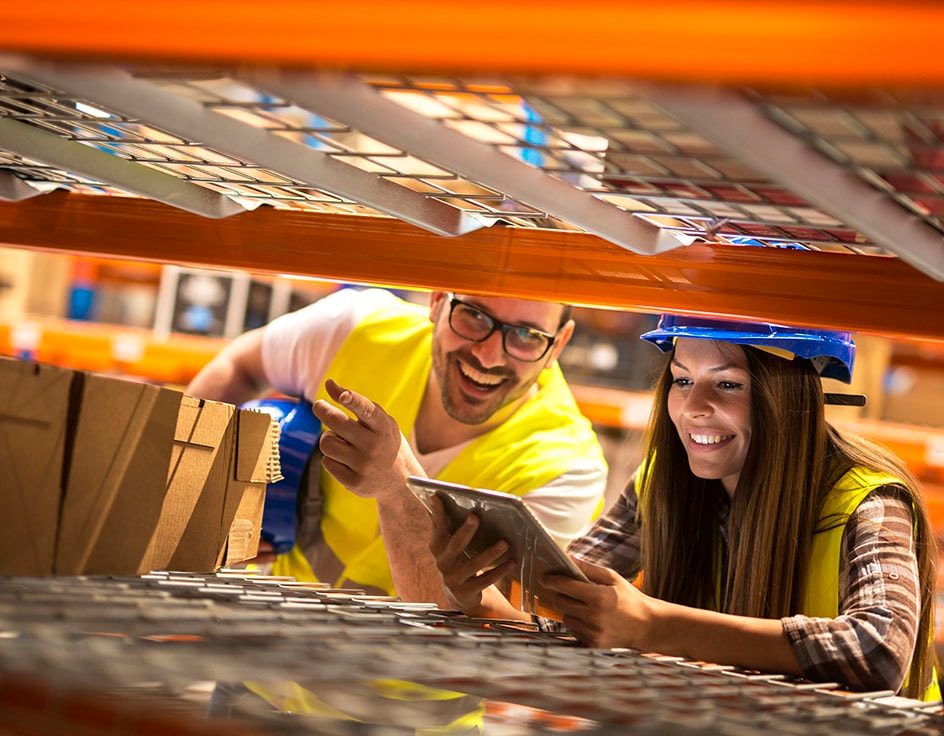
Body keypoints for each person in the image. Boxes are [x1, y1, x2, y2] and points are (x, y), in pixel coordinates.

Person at [429, 314, 941, 702]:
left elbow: (879, 650)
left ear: (791, 395)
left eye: (728, 383)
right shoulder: (662, 481)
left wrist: (656, 626)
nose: (692, 406)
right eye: (680, 379)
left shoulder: (867, 501)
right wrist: (482, 596)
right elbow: (578, 600)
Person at [186, 286, 608, 603]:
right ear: (438, 300)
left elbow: (481, 627)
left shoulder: (567, 467)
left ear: (560, 344)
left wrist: (396, 486)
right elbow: (237, 365)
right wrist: (196, 502)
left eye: (527, 336)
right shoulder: (355, 328)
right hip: (256, 677)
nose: (491, 355)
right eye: (475, 316)